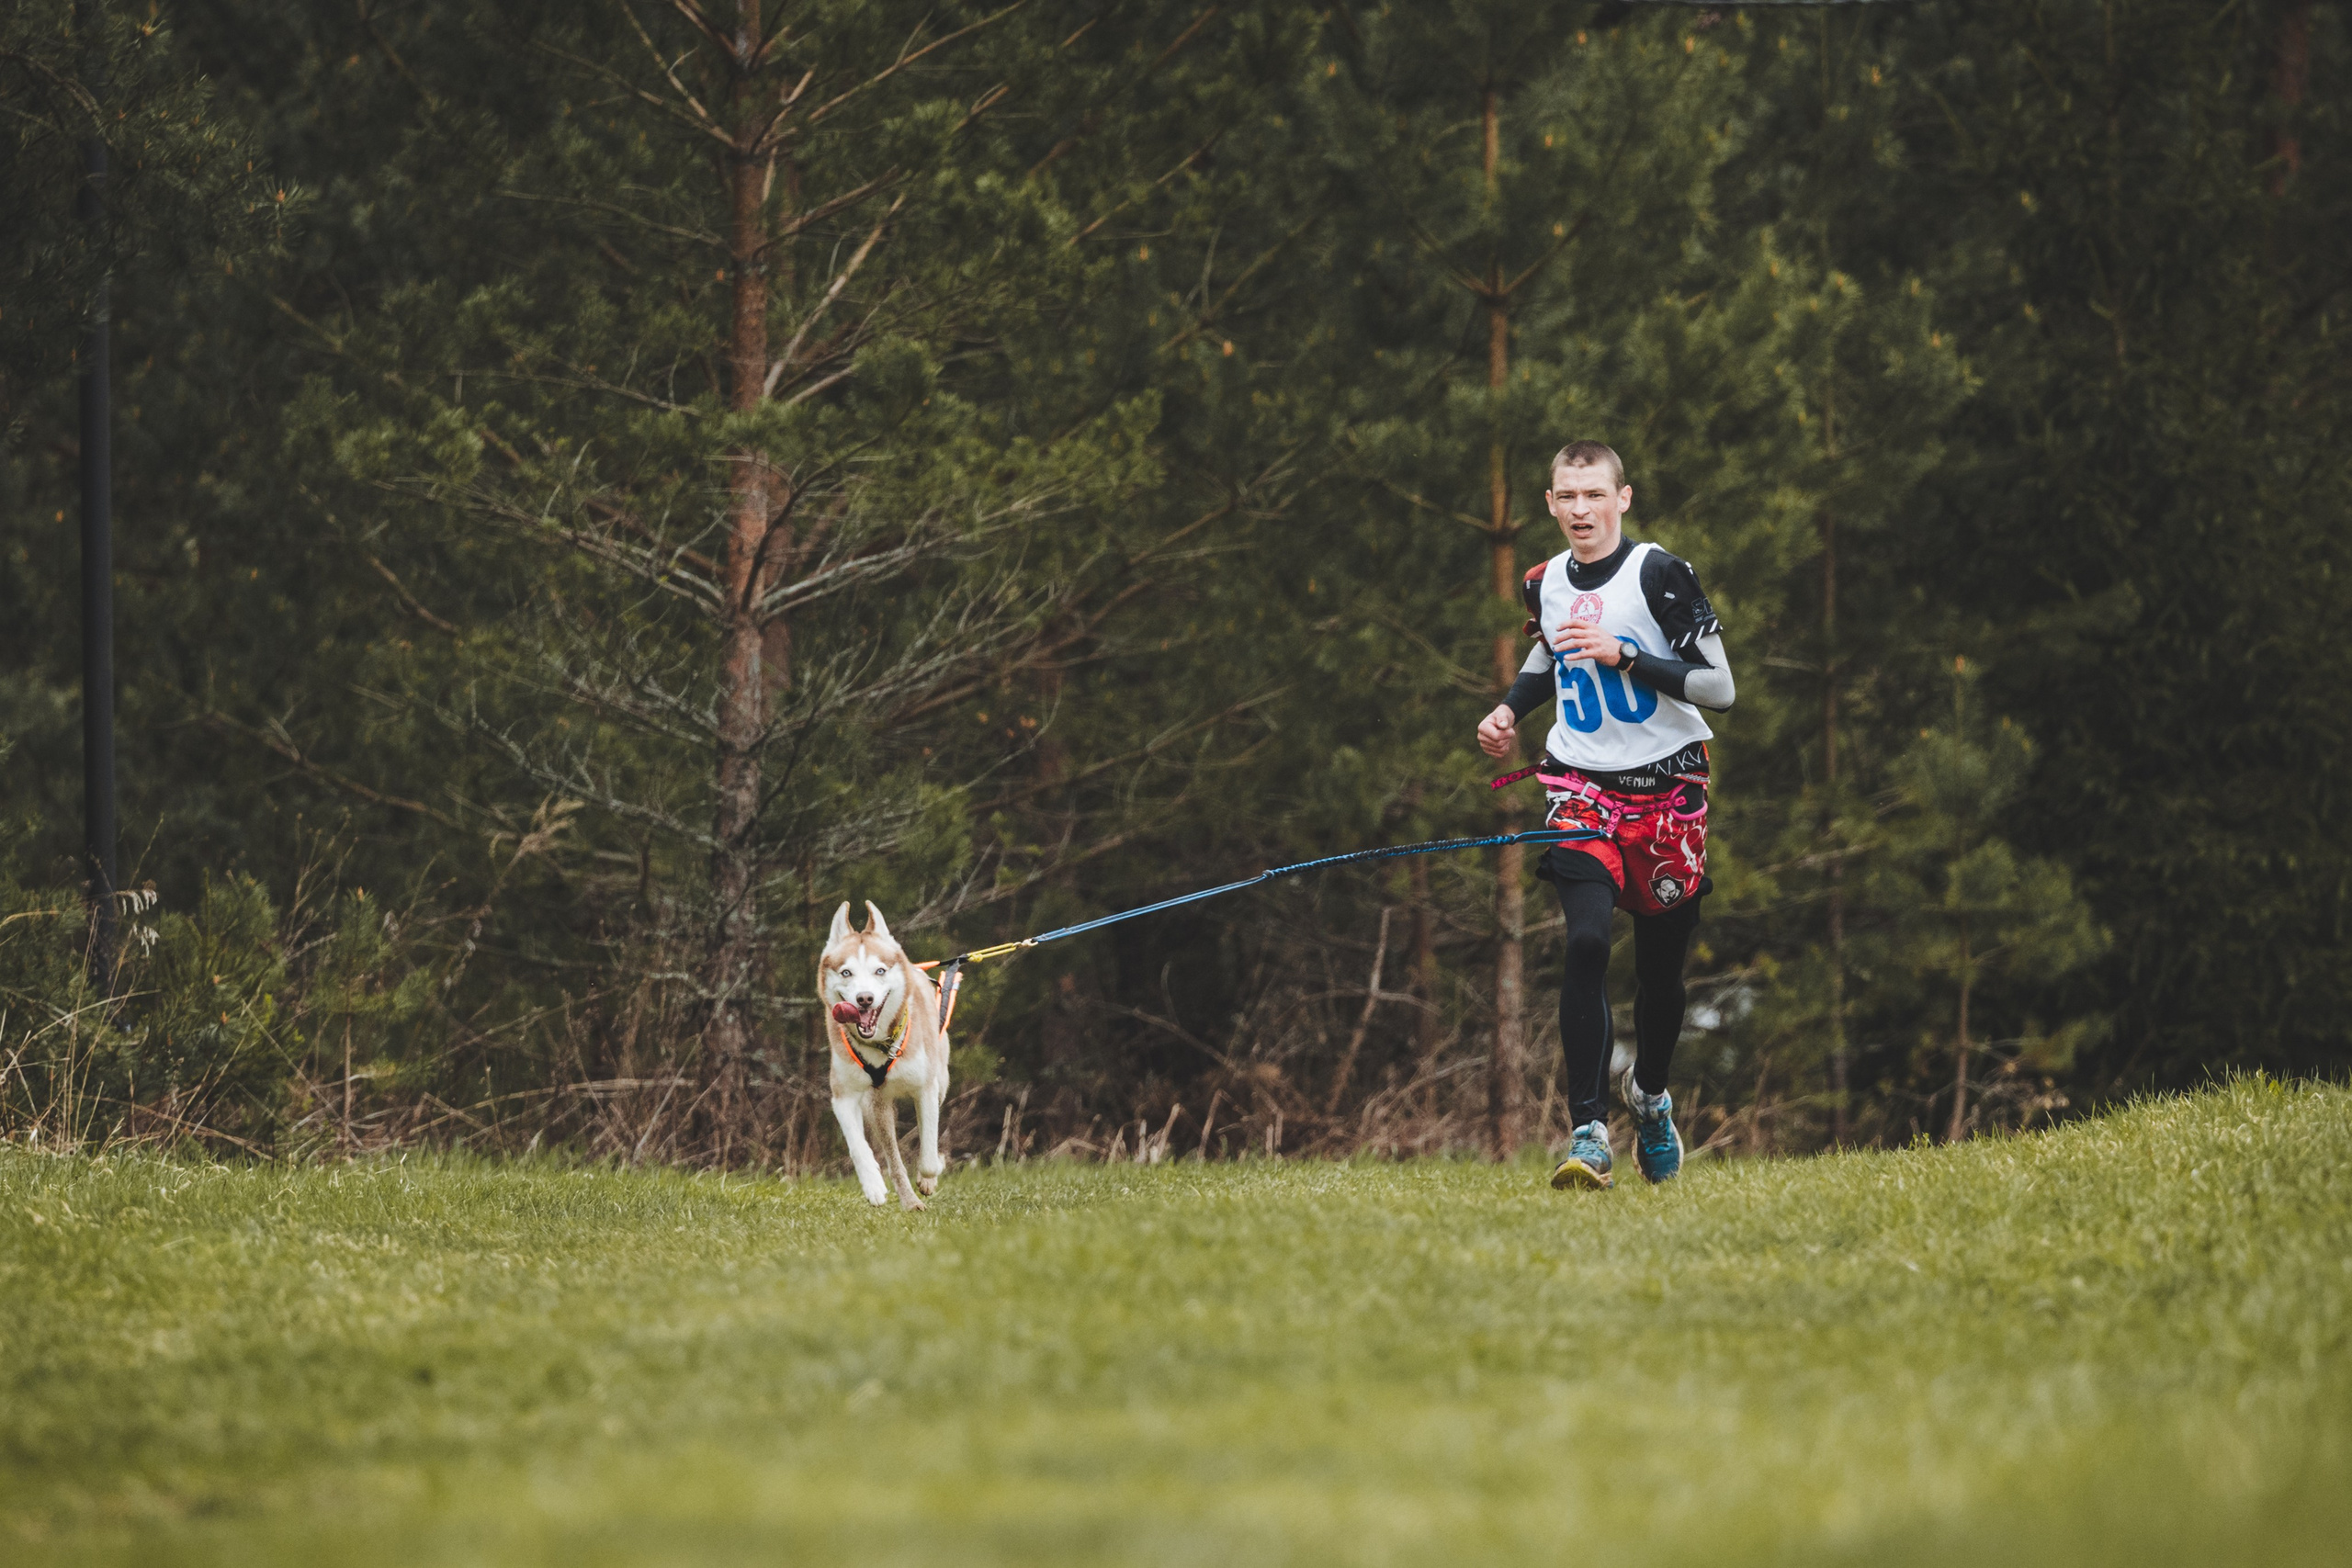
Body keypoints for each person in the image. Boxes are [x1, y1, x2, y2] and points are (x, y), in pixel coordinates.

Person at [1476, 441, 1736, 1190]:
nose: (1581, 510)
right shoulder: (1545, 582)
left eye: (1595, 494)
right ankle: (1588, 1130)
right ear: (1550, 503)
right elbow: (1547, 661)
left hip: (1668, 795)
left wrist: (1627, 656)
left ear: (1623, 498)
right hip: (1580, 788)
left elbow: (1719, 690)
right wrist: (1507, 710)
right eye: (1567, 496)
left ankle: (1650, 1097)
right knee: (1586, 940)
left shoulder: (1660, 574)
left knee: (1661, 972)